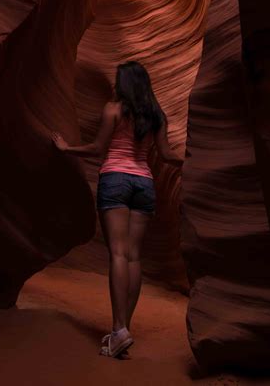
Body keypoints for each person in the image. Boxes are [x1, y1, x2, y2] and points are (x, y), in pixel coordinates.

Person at [51, 60, 182, 359]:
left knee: (119, 254)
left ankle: (119, 328)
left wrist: (67, 148)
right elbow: (166, 155)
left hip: (115, 180)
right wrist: (190, 159)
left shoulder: (113, 109)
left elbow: (98, 149)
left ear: (124, 83)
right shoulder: (156, 116)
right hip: (144, 183)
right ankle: (124, 330)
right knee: (134, 256)